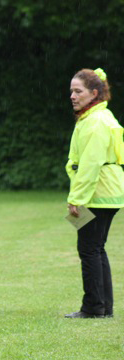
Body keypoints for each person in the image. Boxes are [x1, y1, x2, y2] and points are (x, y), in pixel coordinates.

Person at [65, 68, 124, 319]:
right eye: (71, 91)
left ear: (94, 93)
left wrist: (76, 199)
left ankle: (93, 307)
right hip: (108, 192)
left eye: (78, 91)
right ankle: (103, 307)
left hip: (98, 193)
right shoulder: (100, 117)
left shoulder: (96, 122)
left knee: (89, 248)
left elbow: (90, 164)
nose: (73, 96)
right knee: (96, 248)